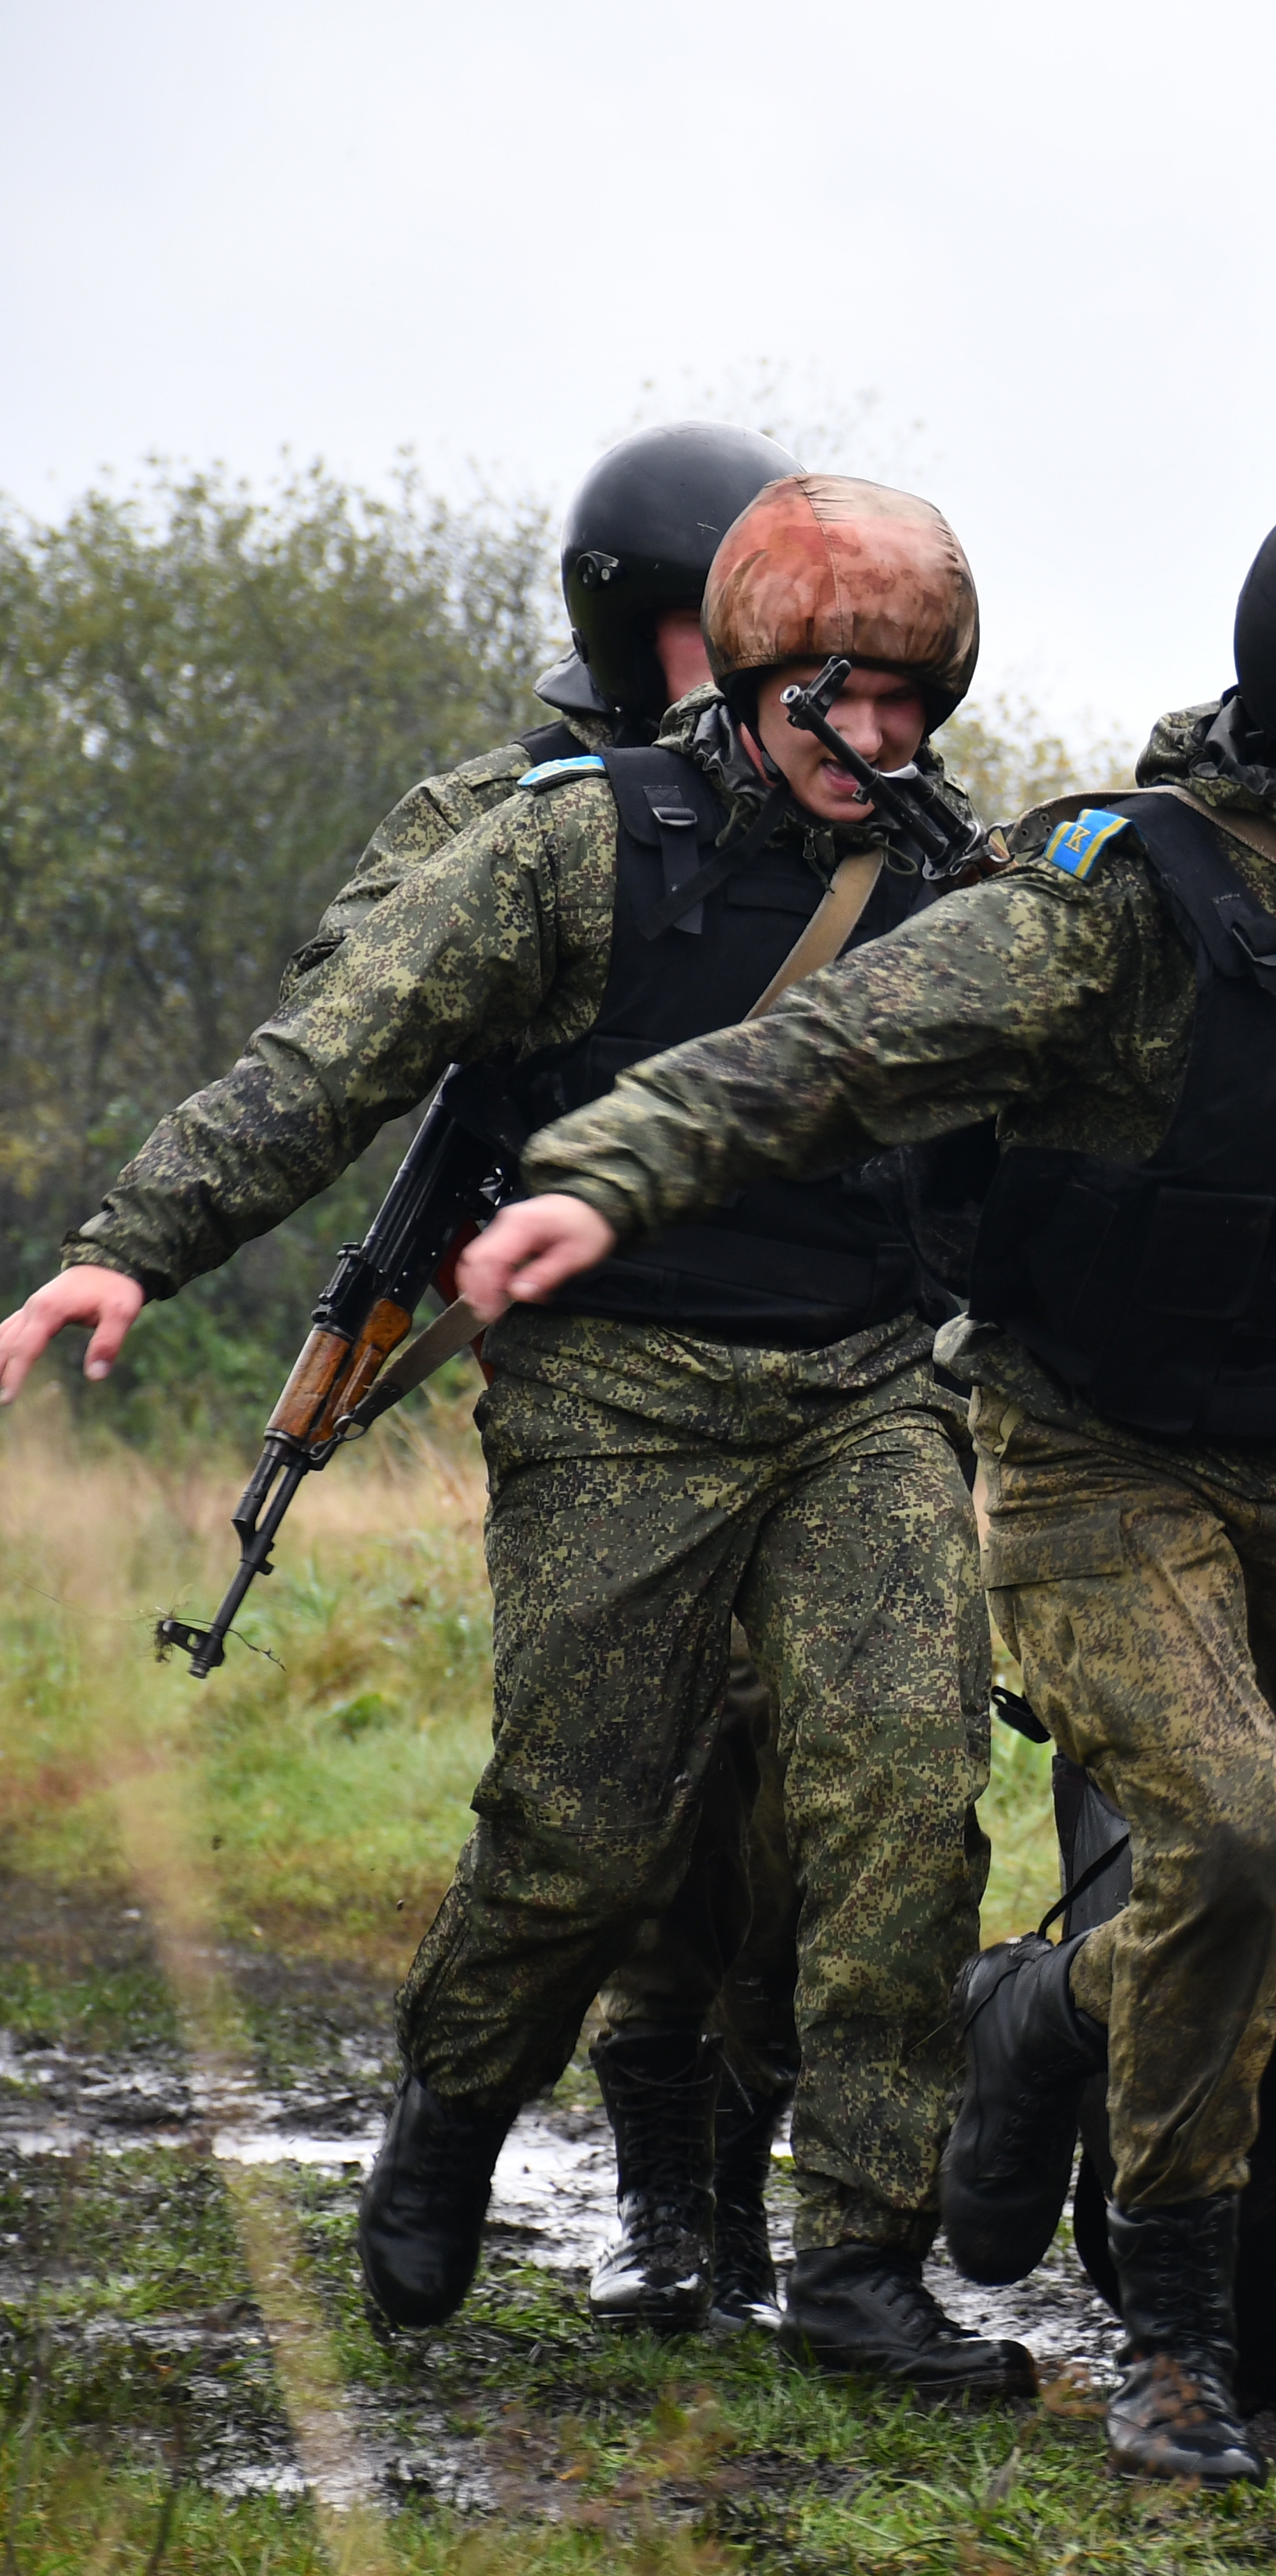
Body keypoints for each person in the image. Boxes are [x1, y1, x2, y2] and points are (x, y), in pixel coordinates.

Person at [449, 478, 1276, 2486]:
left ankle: (1037, 2016)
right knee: (1232, 1840)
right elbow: (844, 1047)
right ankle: (1173, 2343)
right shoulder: (1121, 894)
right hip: (1093, 1453)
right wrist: (605, 1174)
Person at [0, 472, 1025, 2395]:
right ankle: (458, 2102)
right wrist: (125, 1247)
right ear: (754, 673)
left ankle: (861, 2260)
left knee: (905, 1805)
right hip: (615, 1389)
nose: (881, 738)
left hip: (867, 1386)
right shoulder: (575, 843)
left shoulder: (960, 887)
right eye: (848, 698)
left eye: (915, 703)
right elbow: (335, 1056)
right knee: (584, 1835)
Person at [289, 420, 816, 2343]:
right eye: (703, 625)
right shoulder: (508, 805)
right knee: (636, 1780)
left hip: (829, 1344)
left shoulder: (853, 789)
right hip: (603, 1348)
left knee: (808, 1784)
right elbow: (357, 990)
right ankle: (654, 2176)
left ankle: (738, 2181)